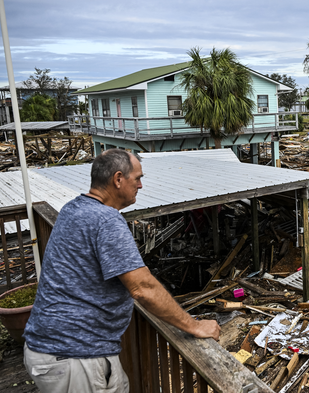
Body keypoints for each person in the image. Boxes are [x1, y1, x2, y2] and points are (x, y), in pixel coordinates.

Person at [23, 149, 220, 392]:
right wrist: (195, 326)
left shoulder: (73, 209)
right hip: (75, 354)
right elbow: (142, 288)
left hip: (53, 348)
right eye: (137, 178)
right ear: (118, 179)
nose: (140, 185)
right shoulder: (106, 220)